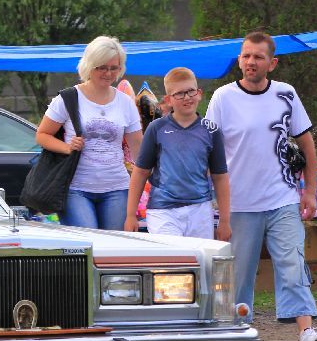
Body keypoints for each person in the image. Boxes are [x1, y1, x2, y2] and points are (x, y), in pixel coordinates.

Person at [206, 31, 317, 341]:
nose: (250, 62)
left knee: (293, 263)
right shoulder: (222, 98)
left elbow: (307, 144)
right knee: (238, 273)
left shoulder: (286, 95)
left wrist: (310, 192)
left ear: (271, 63)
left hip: (283, 197)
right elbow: (209, 150)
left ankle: (306, 332)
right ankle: (233, 335)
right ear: (240, 60)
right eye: (246, 56)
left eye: (258, 57)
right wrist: (212, 199)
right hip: (239, 203)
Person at [35, 36, 143, 230]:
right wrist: (67, 147)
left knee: (112, 249)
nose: (108, 73)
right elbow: (42, 135)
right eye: (102, 67)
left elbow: (139, 150)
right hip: (75, 187)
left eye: (114, 68)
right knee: (89, 242)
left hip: (117, 187)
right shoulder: (68, 98)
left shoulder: (125, 103)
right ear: (89, 65)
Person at [125, 67, 231, 241]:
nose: (187, 97)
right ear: (168, 100)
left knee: (200, 263)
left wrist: (225, 221)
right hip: (163, 210)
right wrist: (130, 215)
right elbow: (140, 172)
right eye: (179, 94)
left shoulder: (211, 130)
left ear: (199, 93)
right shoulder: (156, 128)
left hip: (200, 209)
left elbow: (220, 177)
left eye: (190, 91)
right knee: (173, 263)